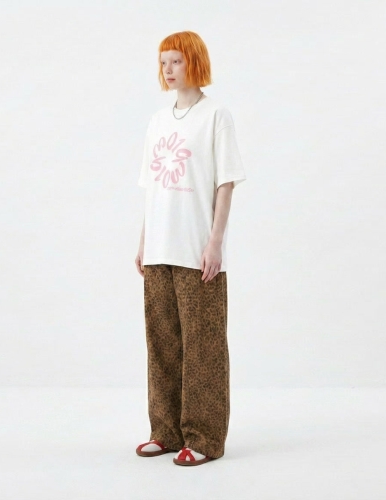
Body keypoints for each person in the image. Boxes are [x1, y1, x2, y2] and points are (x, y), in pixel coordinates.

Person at [134, 31, 247, 466]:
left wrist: (215, 242)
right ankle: (165, 431)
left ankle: (203, 439)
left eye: (176, 61)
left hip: (197, 249)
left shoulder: (216, 116)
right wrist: (144, 241)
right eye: (163, 61)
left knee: (203, 346)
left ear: (194, 62)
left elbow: (226, 183)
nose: (168, 69)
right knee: (162, 343)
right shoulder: (157, 121)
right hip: (159, 249)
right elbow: (152, 188)